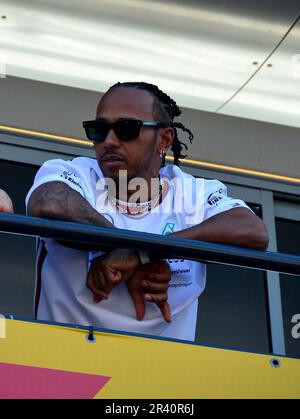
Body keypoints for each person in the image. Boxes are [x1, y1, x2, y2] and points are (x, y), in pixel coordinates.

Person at [26, 82, 269, 341]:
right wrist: (127, 250)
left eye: (126, 129)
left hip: (161, 375)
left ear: (164, 139)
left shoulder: (192, 192)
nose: (109, 141)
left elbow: (253, 231)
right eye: (98, 130)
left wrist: (143, 254)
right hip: (64, 367)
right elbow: (48, 203)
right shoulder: (76, 173)